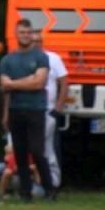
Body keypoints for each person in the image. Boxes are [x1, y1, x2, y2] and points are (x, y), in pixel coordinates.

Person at [0, 18, 52, 202]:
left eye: (28, 32)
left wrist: (14, 84)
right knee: (20, 153)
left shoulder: (40, 56)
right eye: (22, 32)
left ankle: (49, 190)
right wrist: (5, 113)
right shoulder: (7, 59)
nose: (25, 35)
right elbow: (4, 87)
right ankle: (25, 193)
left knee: (37, 151)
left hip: (36, 109)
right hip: (15, 109)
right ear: (16, 34)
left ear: (32, 34)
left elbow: (39, 82)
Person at [33, 30, 68, 195]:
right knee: (28, 148)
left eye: (39, 41)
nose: (36, 44)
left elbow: (64, 82)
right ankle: (32, 183)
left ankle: (53, 183)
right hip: (27, 110)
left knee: (47, 149)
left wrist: (58, 108)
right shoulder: (23, 58)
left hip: (48, 111)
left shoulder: (53, 58)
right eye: (33, 41)